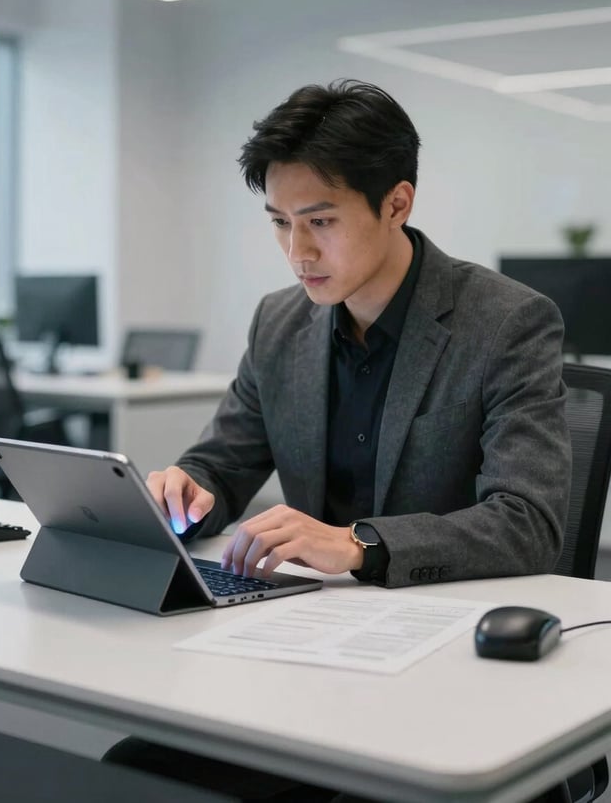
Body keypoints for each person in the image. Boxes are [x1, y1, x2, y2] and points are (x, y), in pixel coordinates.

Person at [104, 79, 571, 802]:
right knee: (137, 764)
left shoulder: (506, 322)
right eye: (279, 222)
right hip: (306, 651)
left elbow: (530, 524)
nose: (297, 251)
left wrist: (359, 543)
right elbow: (223, 460)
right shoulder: (279, 322)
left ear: (397, 204)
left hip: (446, 664)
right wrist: (189, 486)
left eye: (319, 221)